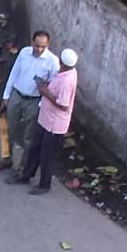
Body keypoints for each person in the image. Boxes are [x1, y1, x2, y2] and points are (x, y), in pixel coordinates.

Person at [15, 46, 80, 191]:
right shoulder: (66, 72)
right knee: (35, 148)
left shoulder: (67, 80)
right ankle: (26, 174)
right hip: (45, 118)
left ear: (63, 63)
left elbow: (63, 104)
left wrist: (44, 92)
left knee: (47, 156)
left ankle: (44, 185)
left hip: (54, 125)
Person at [0, 29, 59, 170]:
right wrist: (6, 95)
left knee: (29, 137)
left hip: (35, 101)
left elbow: (53, 86)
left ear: (48, 45)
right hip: (17, 95)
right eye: (37, 45)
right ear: (32, 43)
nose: (39, 49)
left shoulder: (53, 62)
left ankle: (23, 167)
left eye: (43, 46)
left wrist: (42, 104)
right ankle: (7, 158)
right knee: (8, 129)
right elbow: (14, 73)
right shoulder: (24, 53)